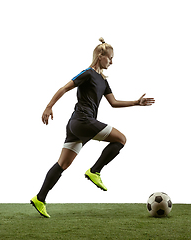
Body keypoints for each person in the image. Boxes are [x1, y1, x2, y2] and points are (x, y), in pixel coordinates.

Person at [30, 38, 155, 218]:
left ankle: (39, 198)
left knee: (62, 164)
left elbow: (113, 102)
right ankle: (95, 170)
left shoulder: (103, 81)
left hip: (78, 126)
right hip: (82, 121)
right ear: (100, 56)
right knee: (121, 139)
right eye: (109, 58)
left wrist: (136, 102)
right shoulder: (88, 73)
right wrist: (49, 106)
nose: (111, 62)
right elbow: (64, 88)